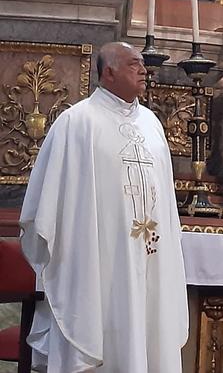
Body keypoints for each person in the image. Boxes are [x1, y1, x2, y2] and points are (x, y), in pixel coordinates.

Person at [19, 41, 188, 372]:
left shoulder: (153, 124)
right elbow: (48, 205)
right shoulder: (76, 123)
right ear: (108, 72)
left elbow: (165, 201)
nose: (142, 70)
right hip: (98, 264)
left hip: (149, 251)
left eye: (142, 65)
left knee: (149, 330)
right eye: (133, 64)